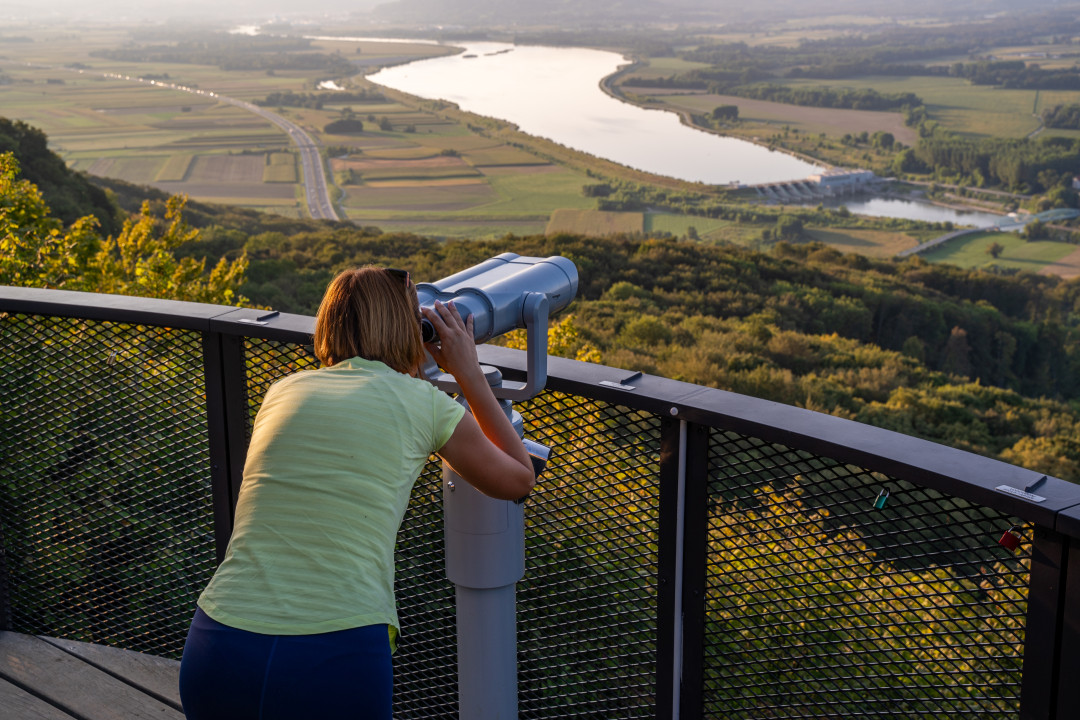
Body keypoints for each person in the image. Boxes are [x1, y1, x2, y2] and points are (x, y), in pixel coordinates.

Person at [178, 267, 535, 720]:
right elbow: (519, 477)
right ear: (408, 329)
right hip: (334, 652)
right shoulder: (424, 405)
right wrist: (467, 372)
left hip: (219, 641)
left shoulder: (282, 391)